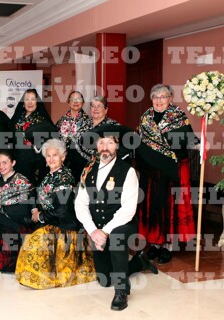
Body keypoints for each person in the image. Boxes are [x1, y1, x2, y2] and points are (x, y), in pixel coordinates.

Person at [75, 126, 158, 311]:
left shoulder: (127, 172)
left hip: (123, 225)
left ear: (117, 146)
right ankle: (138, 263)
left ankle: (121, 291)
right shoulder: (88, 170)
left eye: (110, 143)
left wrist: (105, 231)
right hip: (98, 230)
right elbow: (80, 204)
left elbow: (128, 209)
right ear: (96, 146)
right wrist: (93, 231)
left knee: (117, 237)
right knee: (104, 279)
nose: (105, 147)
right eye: (102, 142)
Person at [15, 138, 96, 289]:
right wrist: (35, 210)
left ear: (63, 157)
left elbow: (62, 210)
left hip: (64, 227)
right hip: (50, 221)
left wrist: (40, 216)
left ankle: (40, 277)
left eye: (55, 155)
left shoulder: (64, 178)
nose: (51, 159)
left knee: (35, 241)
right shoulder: (49, 175)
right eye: (48, 156)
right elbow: (36, 194)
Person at [136, 84, 199, 264]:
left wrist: (201, 146)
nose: (159, 101)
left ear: (170, 98)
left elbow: (189, 140)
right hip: (151, 170)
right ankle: (155, 244)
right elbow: (140, 142)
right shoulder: (146, 117)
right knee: (153, 205)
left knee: (169, 206)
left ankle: (168, 246)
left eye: (163, 97)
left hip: (172, 169)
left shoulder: (178, 116)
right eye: (155, 97)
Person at [11, 88, 57, 185]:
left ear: (37, 101)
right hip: (16, 160)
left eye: (33, 99)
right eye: (27, 99)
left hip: (33, 162)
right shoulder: (18, 117)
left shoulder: (42, 121)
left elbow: (52, 136)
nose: (30, 102)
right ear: (23, 102)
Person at [56, 90, 91, 185]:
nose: (75, 102)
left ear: (83, 102)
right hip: (63, 161)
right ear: (68, 102)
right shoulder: (61, 121)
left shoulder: (88, 121)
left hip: (81, 161)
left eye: (78, 99)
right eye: (72, 99)